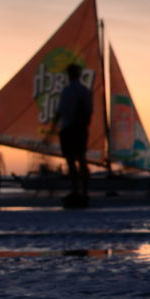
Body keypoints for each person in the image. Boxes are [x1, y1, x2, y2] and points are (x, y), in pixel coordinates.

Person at [50, 63, 93, 207]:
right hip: (81, 129)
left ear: (69, 75)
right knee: (81, 159)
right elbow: (89, 112)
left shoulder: (67, 91)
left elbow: (60, 111)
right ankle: (85, 192)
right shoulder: (86, 91)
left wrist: (52, 129)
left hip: (68, 128)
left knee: (71, 161)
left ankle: (75, 191)